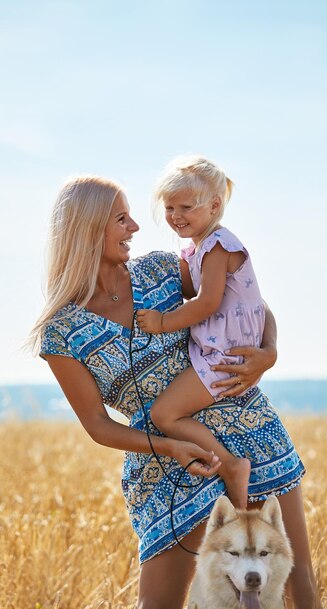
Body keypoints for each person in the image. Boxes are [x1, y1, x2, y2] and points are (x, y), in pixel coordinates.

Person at [28, 174, 325, 609]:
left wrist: (268, 353)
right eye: (122, 219)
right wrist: (170, 447)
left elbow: (249, 301)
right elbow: (98, 426)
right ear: (88, 229)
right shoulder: (60, 333)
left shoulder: (162, 270)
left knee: (298, 600)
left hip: (252, 432)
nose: (136, 228)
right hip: (166, 464)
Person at [136, 155, 261, 510]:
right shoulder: (200, 248)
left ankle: (232, 466)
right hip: (221, 348)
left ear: (215, 205)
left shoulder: (219, 246)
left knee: (164, 415)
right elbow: (192, 285)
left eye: (186, 207)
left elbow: (206, 302)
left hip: (227, 356)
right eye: (170, 207)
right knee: (167, 412)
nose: (176, 216)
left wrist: (162, 322)